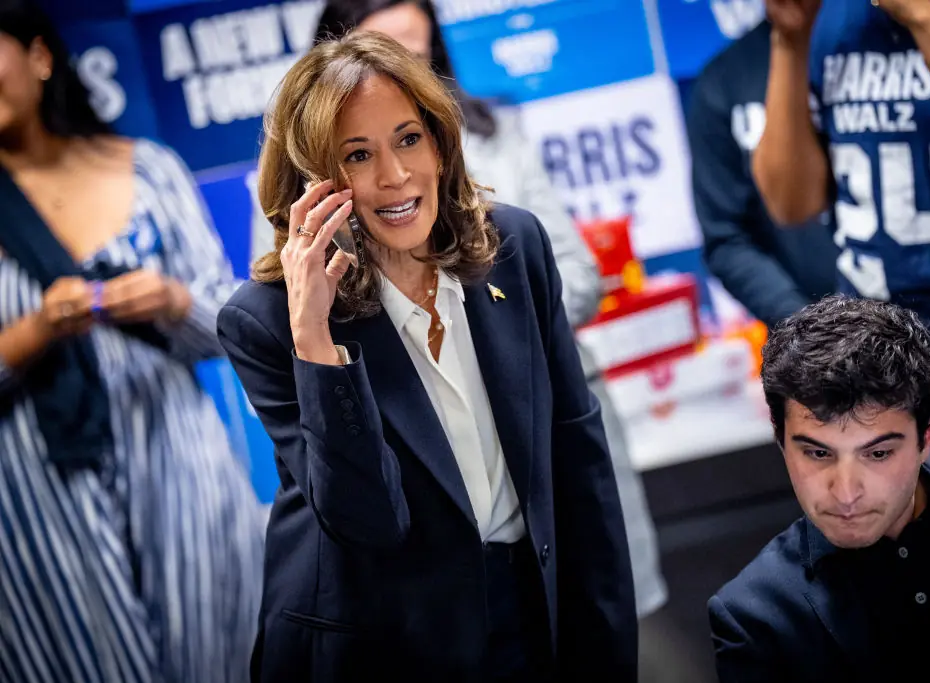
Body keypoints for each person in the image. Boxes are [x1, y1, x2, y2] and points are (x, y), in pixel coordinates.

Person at [217, 32, 637, 682]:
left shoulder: (515, 246)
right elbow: (367, 523)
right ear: (314, 184)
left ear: (440, 145)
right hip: (384, 640)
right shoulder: (267, 321)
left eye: (409, 139)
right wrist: (315, 338)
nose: (394, 175)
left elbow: (578, 462)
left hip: (527, 604)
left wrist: (607, 650)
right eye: (358, 155)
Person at [313, 4, 686, 680]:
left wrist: (488, 322)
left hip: (542, 430)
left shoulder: (494, 144)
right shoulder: (311, 202)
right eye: (383, 50)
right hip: (433, 519)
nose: (405, 69)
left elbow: (574, 274)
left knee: (604, 623)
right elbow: (305, 320)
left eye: (418, 51)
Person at [0, 2, 265, 682]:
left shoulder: (150, 172)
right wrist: (36, 329)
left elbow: (233, 325)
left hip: (177, 462)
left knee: (224, 651)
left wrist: (174, 301)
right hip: (38, 498)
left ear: (39, 56)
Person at [708, 295, 930, 682]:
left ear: (928, 434)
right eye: (818, 453)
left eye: (878, 454)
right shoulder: (754, 620)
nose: (846, 493)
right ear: (780, 437)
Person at [752, 0, 930, 439]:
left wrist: (921, 14)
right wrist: (790, 40)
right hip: (880, 357)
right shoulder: (828, 16)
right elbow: (790, 203)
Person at [686, 19, 836, 330]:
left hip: (922, 315)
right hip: (813, 334)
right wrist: (809, 328)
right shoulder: (723, 81)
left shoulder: (885, 39)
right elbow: (727, 238)